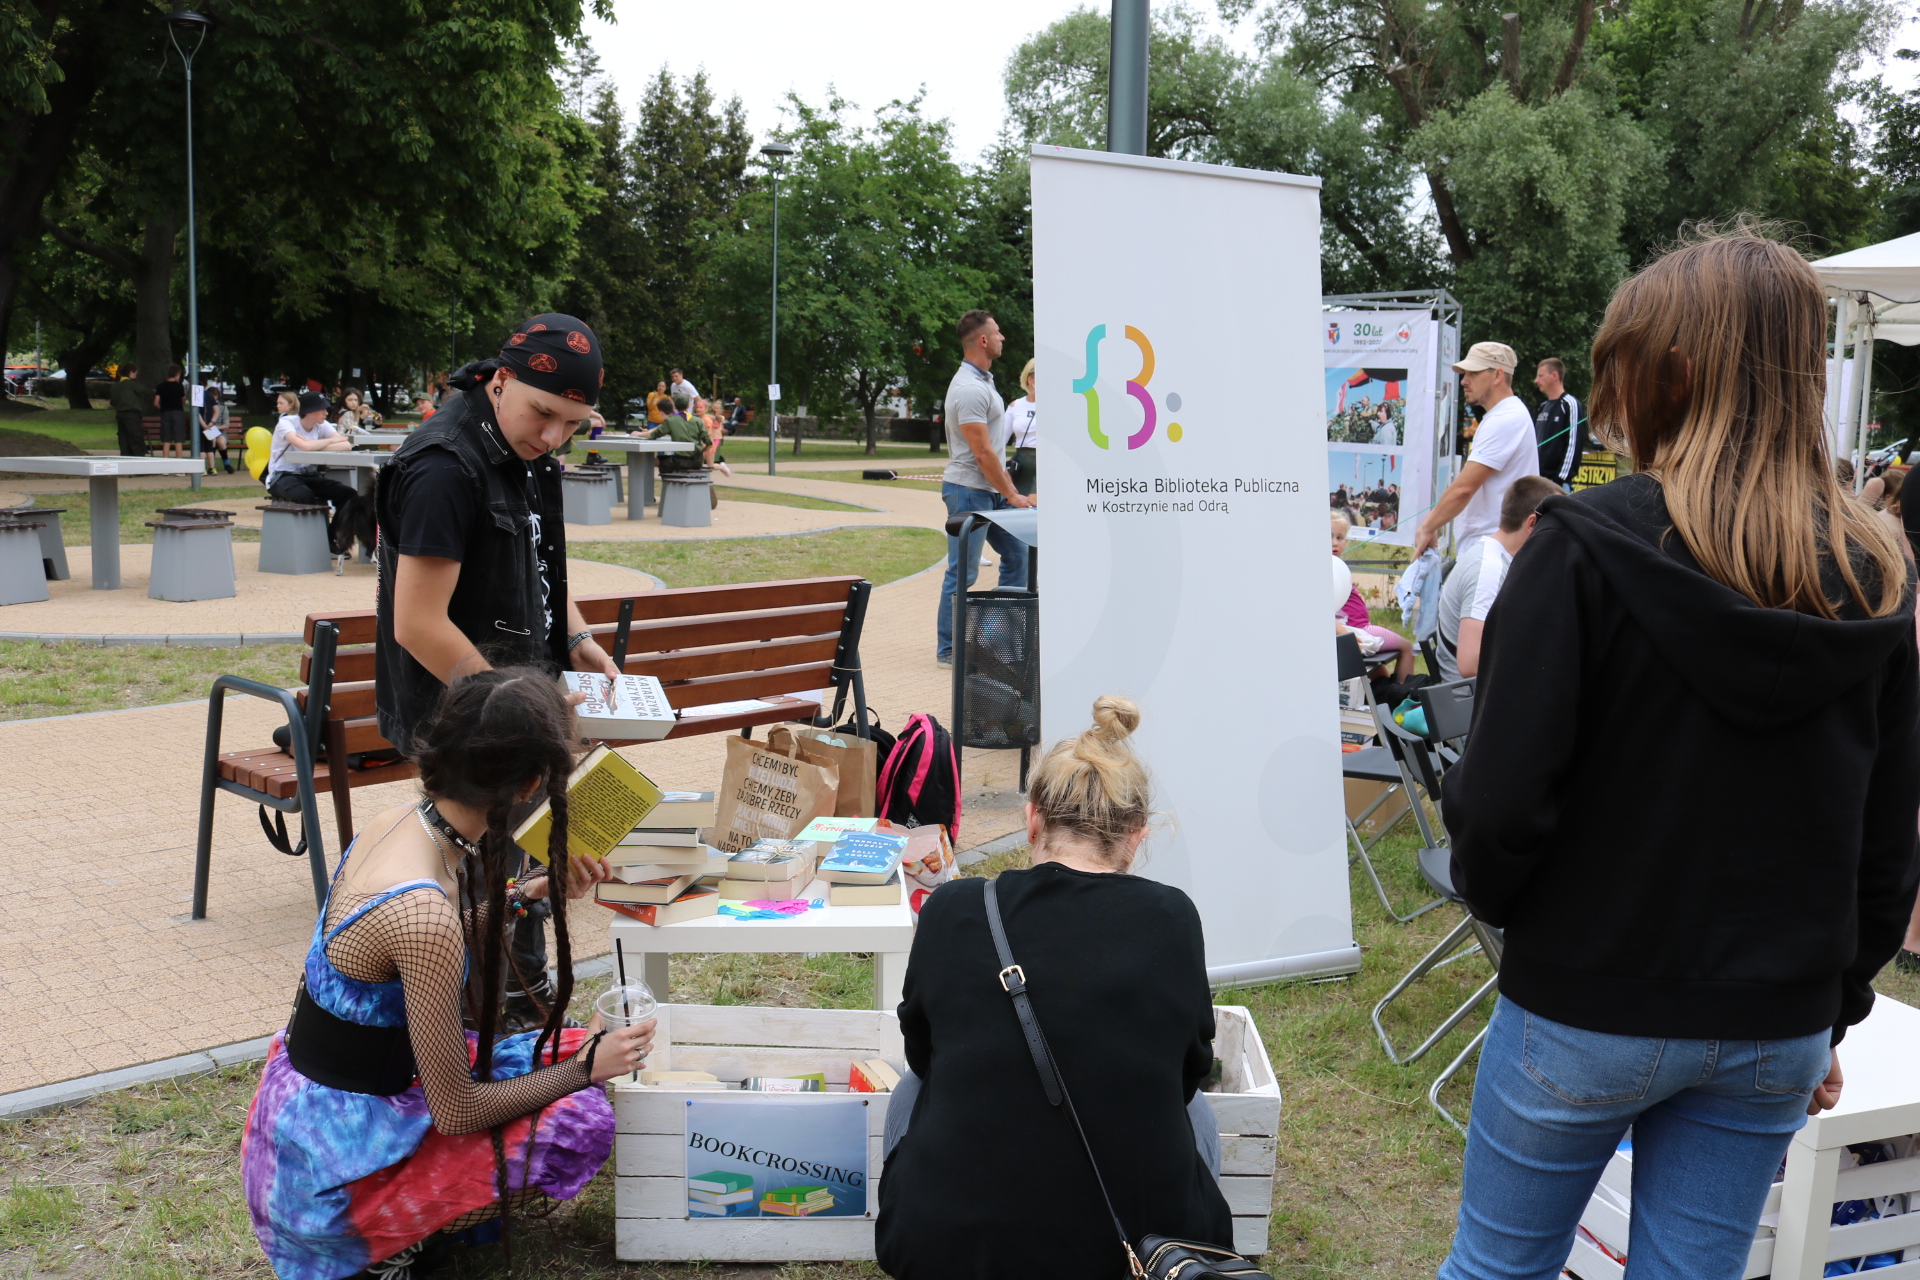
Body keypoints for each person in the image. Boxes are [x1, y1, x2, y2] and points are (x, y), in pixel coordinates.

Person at [1435, 231, 1920, 1280]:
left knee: (1498, 1266)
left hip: (1585, 995)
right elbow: (1889, 841)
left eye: (1627, 367)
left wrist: (1525, 917)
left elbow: (1500, 800)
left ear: (1677, 373)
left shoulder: (1577, 549)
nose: (1613, 396)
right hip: (1773, 1018)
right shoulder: (1876, 575)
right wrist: (1831, 1003)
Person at [240, 668, 650, 1280]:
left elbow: (414, 947)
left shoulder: (400, 821)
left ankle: (404, 1222)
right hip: (334, 1178)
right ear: (530, 785)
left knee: (566, 1047)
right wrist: (587, 1071)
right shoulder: (423, 912)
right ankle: (387, 1244)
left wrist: (526, 893)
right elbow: (456, 1111)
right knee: (580, 1116)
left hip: (309, 1124)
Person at [875, 696, 1233, 1278]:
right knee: (1199, 1116)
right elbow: (1190, 1072)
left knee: (912, 1089)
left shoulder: (955, 908)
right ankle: (1189, 1260)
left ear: (1032, 817)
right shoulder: (1171, 916)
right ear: (1136, 837)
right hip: (1133, 1253)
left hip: (949, 1251)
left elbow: (926, 1055)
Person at [374, 313, 621, 1031]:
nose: (552, 438)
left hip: (515, 705)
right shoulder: (442, 467)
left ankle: (523, 1010)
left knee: (531, 861)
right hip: (462, 718)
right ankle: (482, 1031)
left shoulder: (529, 445)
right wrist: (518, 714)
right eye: (544, 415)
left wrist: (577, 638)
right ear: (502, 378)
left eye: (573, 425)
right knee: (485, 882)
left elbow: (537, 558)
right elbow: (417, 623)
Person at [936, 310, 1032, 667]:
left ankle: (992, 638)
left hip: (989, 491)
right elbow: (982, 452)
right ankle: (949, 650)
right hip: (968, 492)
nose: (1003, 337)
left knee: (1019, 556)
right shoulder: (969, 388)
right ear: (982, 340)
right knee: (964, 572)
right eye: (998, 332)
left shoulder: (983, 381)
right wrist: (1011, 493)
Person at [1413, 341, 1538, 558]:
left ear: (1498, 375)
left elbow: (1464, 488)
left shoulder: (1504, 418)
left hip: (1492, 549)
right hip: (1493, 546)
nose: (1464, 381)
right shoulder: (1505, 414)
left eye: (1473, 372)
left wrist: (1428, 527)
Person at [1433, 474, 1558, 681]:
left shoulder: (1496, 557)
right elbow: (1470, 663)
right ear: (1532, 524)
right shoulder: (1488, 571)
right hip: (1468, 702)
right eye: (1556, 525)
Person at [267, 391, 360, 539]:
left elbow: (346, 445)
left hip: (308, 475)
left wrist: (314, 444)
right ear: (309, 412)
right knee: (305, 495)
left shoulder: (321, 425)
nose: (326, 412)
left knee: (349, 495)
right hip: (282, 476)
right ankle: (314, 541)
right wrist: (328, 441)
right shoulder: (286, 423)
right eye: (322, 409)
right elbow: (305, 447)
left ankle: (331, 538)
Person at [1333, 513, 1415, 680]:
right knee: (1407, 648)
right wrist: (1347, 637)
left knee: (1380, 673)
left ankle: (1387, 696)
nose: (1335, 542)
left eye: (1340, 537)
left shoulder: (1338, 567)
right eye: (1329, 536)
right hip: (1360, 629)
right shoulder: (1330, 571)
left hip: (1355, 628)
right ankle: (1403, 698)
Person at [1532, 358, 1583, 491]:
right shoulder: (1543, 406)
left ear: (1555, 376)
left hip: (1557, 486)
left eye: (1540, 376)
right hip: (1537, 482)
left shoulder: (1570, 404)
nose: (1536, 380)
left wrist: (1558, 480)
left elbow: (1573, 445)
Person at [1003, 357, 1038, 497]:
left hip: (1047, 463)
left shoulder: (1055, 405)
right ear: (1031, 379)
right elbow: (999, 442)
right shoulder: (1015, 406)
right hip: (1021, 464)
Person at [109, 365, 153, 457]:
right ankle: (139, 457)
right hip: (132, 415)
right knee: (135, 437)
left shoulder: (115, 386)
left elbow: (113, 403)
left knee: (123, 438)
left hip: (120, 415)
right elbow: (146, 391)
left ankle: (125, 457)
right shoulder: (131, 384)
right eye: (135, 373)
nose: (136, 375)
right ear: (130, 372)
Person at [199, 373, 232, 474]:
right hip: (210, 429)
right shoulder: (206, 406)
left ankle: (226, 463)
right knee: (212, 440)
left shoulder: (222, 407)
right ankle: (212, 465)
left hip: (219, 431)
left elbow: (226, 425)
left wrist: (214, 427)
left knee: (220, 442)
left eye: (215, 396)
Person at [155, 363, 189, 459]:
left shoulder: (160, 386)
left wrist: (162, 407)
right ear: (177, 374)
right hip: (177, 413)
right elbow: (183, 400)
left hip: (165, 413)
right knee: (178, 440)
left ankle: (166, 467)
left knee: (167, 440)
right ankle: (179, 467)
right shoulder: (179, 386)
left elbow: (155, 402)